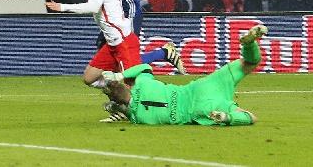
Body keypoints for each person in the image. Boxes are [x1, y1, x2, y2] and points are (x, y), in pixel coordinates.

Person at [101, 24, 267, 125]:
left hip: (199, 107)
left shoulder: (140, 117)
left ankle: (226, 117)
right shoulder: (142, 86)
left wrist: (227, 118)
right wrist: (120, 76)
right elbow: (144, 68)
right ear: (126, 86)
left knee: (246, 115)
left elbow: (251, 117)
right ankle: (249, 45)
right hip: (200, 91)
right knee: (250, 63)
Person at [46, 0, 142, 90]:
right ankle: (115, 91)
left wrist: (62, 7)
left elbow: (93, 7)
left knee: (132, 86)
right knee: (89, 78)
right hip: (112, 44)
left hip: (123, 41)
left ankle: (132, 106)